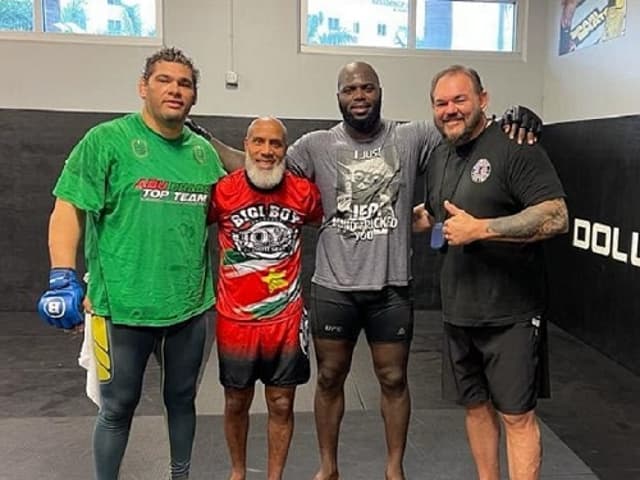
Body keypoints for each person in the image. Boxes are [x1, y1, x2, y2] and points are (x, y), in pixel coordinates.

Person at [194, 61, 541, 480]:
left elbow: (464, 125)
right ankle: (329, 467)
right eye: (349, 89)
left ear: (380, 92)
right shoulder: (314, 145)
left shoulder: (412, 136)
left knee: (394, 379)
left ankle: (394, 470)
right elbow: (259, 165)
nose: (359, 95)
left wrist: (514, 119)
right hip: (333, 288)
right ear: (338, 97)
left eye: (367, 87)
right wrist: (205, 138)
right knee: (329, 378)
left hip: (390, 287)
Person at [37, 47, 226, 480]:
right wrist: (62, 277)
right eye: (164, 80)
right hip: (121, 308)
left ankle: (181, 475)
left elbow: (230, 206)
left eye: (185, 83)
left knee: (182, 399)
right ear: (144, 87)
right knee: (117, 406)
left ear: (194, 97)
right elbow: (68, 208)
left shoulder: (203, 154)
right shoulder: (106, 141)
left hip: (189, 308)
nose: (175, 90)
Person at [415, 65, 568, 480]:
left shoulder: (517, 145)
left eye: (460, 100)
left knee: (517, 417)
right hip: (458, 311)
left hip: (511, 313)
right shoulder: (440, 155)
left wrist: (483, 229)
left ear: (483, 100)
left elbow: (555, 216)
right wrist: (426, 220)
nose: (450, 110)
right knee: (476, 407)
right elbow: (444, 216)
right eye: (441, 103)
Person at [208, 116, 323, 480]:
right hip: (235, 321)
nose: (266, 151)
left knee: (282, 402)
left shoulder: (303, 194)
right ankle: (238, 472)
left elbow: (331, 223)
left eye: (275, 144)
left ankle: (275, 476)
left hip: (285, 321)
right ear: (246, 144)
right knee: (236, 400)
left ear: (285, 150)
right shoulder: (223, 191)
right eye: (259, 142)